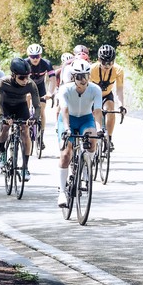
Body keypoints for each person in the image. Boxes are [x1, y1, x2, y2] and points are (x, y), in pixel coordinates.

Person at [56, 59, 103, 207]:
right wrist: (67, 128)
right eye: (79, 77)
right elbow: (64, 110)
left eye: (86, 76)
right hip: (68, 119)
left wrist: (100, 128)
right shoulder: (65, 89)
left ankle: (85, 169)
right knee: (65, 154)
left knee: (92, 139)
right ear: (73, 77)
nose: (83, 80)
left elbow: (97, 111)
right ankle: (62, 192)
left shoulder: (95, 89)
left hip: (85, 118)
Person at [0, 58, 42, 181]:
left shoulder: (31, 84)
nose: (25, 80)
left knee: (25, 131)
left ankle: (25, 167)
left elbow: (37, 105)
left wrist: (35, 118)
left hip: (21, 106)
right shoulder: (3, 82)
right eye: (22, 77)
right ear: (13, 75)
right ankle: (1, 152)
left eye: (27, 77)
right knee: (5, 127)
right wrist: (2, 118)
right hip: (6, 107)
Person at [90, 44, 127, 150]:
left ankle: (109, 139)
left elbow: (119, 89)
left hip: (106, 95)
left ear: (114, 61)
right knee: (92, 114)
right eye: (103, 62)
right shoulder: (92, 69)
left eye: (110, 62)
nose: (107, 65)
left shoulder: (118, 70)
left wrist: (121, 105)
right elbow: (86, 88)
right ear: (98, 60)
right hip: (92, 96)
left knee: (110, 110)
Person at [25, 43, 56, 146]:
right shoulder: (24, 63)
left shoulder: (46, 63)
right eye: (32, 57)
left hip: (40, 88)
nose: (35, 59)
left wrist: (50, 93)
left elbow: (52, 79)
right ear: (29, 56)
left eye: (37, 56)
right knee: (26, 104)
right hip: (27, 86)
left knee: (42, 110)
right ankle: (27, 122)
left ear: (40, 55)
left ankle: (40, 136)